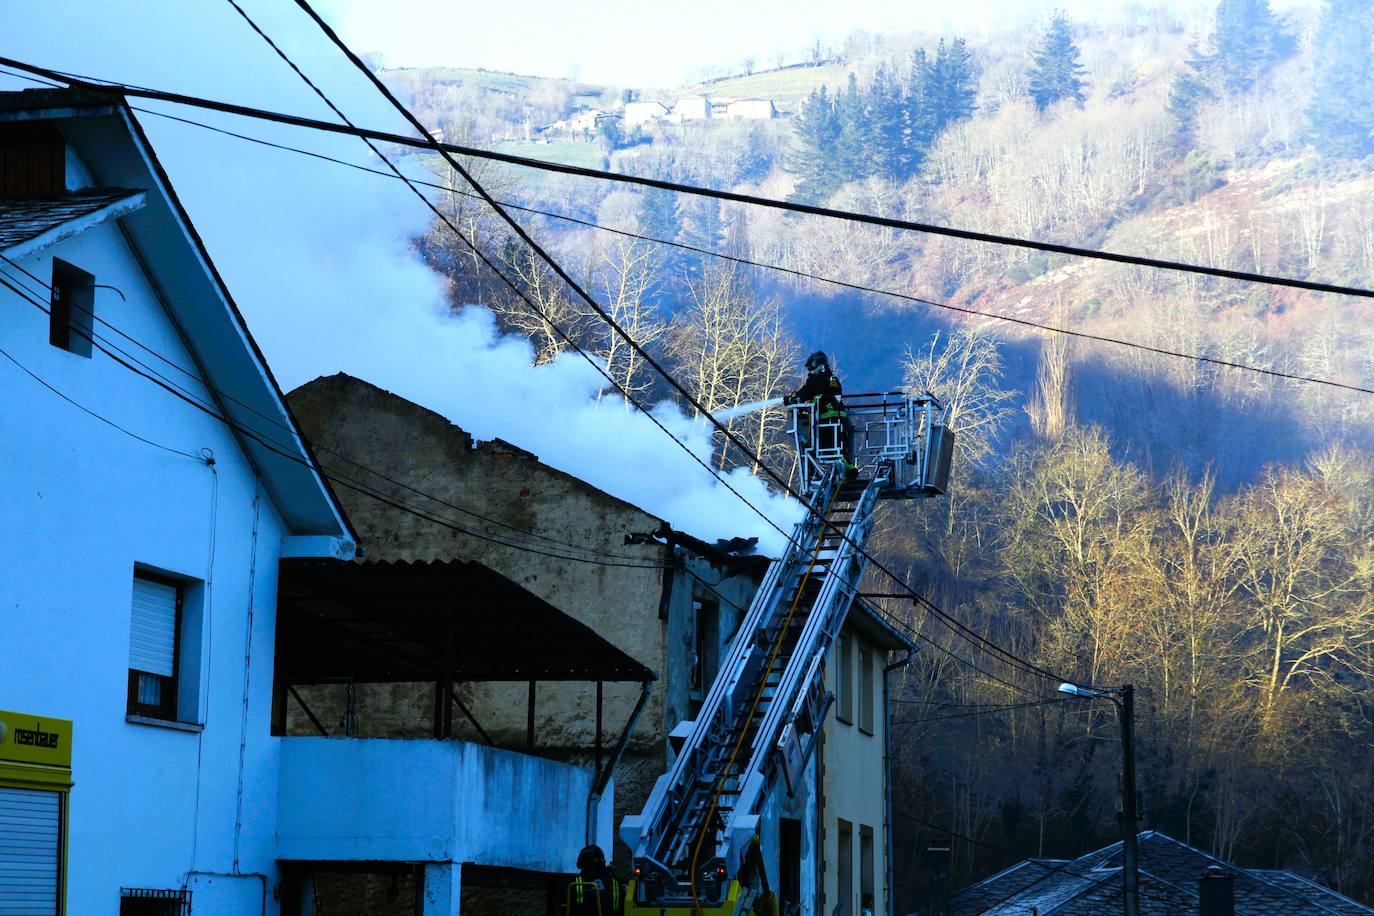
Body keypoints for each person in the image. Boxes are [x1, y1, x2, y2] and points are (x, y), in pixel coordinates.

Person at [785, 351, 856, 477]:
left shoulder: (815, 380)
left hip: (825, 420)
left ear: (818, 366)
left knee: (809, 444)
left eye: (811, 369)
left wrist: (791, 399)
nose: (810, 372)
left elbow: (803, 394)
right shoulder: (833, 379)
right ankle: (848, 467)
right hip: (842, 420)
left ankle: (811, 472)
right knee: (842, 445)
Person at [564, 845, 625, 915]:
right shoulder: (616, 883)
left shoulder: (573, 883)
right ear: (602, 861)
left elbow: (563, 907)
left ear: (582, 862)